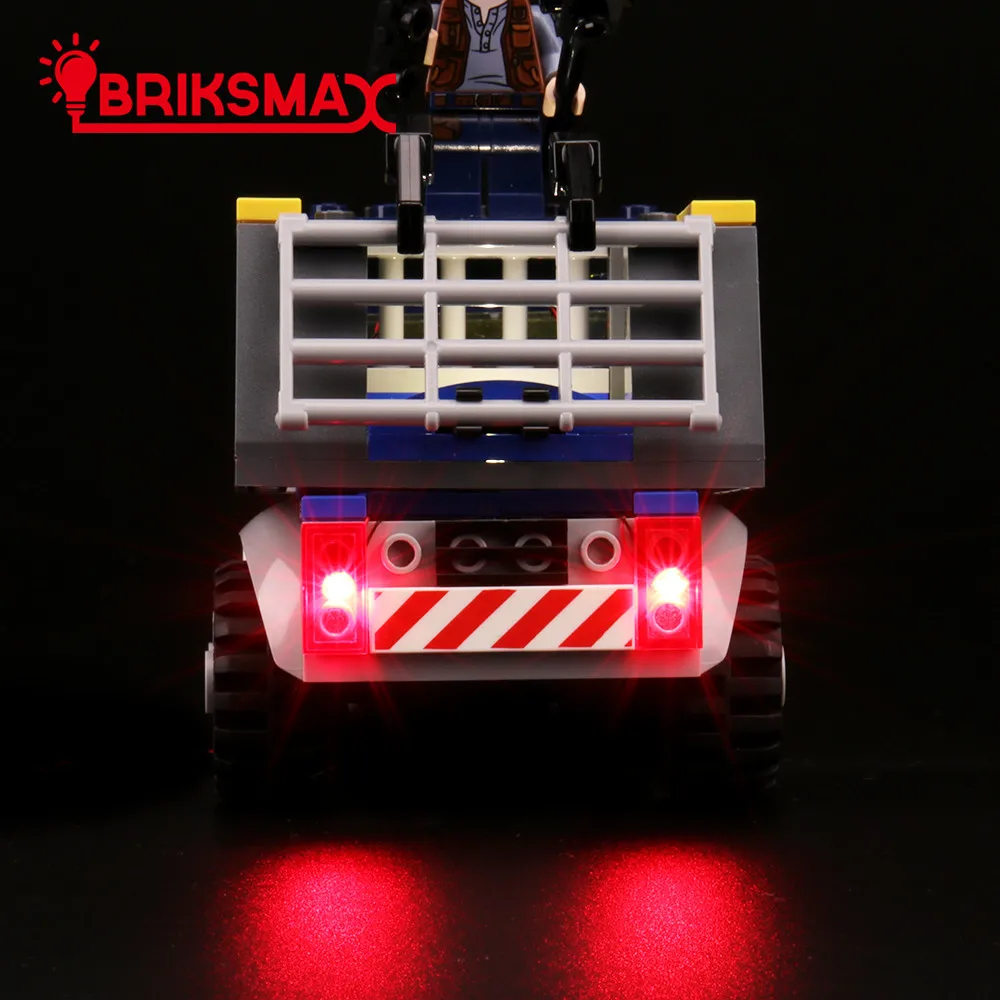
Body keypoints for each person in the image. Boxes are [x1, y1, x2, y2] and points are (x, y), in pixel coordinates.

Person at [423, 0, 586, 219]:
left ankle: (524, 216)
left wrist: (559, 80)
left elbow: (552, 53)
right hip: (451, 112)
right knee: (450, 169)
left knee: (519, 168)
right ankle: (444, 214)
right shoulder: (437, 15)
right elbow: (415, 54)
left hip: (518, 110)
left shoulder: (533, 17)